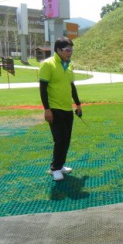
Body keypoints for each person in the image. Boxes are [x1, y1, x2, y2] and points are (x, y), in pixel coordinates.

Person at [39, 37, 82, 181]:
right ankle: (55, 168)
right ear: (58, 50)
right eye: (67, 50)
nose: (70, 53)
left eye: (71, 50)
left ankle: (61, 164)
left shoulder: (69, 65)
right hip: (54, 108)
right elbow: (43, 89)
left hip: (67, 108)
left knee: (66, 138)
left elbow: (72, 86)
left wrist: (78, 104)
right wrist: (47, 109)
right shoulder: (47, 64)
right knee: (60, 138)